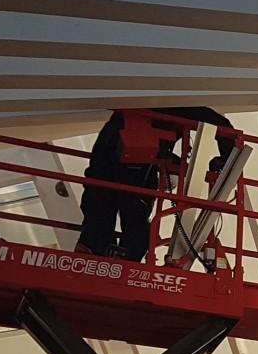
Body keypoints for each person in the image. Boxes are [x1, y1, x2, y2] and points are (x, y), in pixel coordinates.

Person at [77, 106, 235, 261]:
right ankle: (123, 261)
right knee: (133, 219)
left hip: (117, 155)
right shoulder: (174, 106)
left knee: (101, 210)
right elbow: (219, 124)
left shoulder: (145, 111)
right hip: (132, 158)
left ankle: (95, 252)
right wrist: (227, 160)